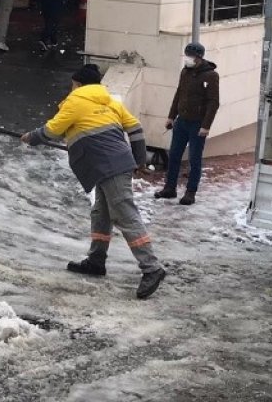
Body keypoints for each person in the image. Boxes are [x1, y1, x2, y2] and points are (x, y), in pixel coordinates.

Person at [22, 64, 167, 299]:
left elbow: (52, 130)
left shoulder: (75, 101)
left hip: (109, 165)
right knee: (101, 212)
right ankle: (96, 261)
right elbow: (135, 128)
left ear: (78, 84)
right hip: (110, 165)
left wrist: (32, 137)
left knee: (124, 214)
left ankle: (152, 268)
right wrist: (138, 160)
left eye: (73, 84)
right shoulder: (110, 102)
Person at [154, 42, 220, 205]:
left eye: (190, 56)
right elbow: (179, 94)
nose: (187, 59)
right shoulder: (185, 72)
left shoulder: (211, 75)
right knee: (174, 155)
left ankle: (191, 192)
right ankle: (170, 188)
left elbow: (213, 102)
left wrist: (206, 126)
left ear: (198, 57)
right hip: (181, 121)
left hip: (197, 123)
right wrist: (171, 116)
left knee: (194, 158)